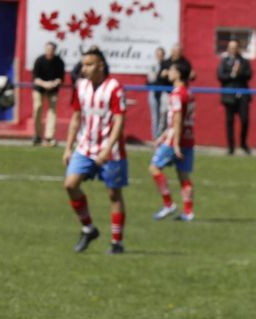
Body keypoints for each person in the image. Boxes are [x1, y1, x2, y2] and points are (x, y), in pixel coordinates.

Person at [62, 48, 129, 254]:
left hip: (111, 150)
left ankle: (116, 242)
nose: (84, 69)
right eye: (83, 64)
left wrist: (107, 149)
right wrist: (68, 147)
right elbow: (76, 118)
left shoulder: (115, 88)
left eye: (89, 64)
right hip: (85, 147)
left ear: (100, 66)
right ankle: (88, 228)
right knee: (70, 185)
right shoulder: (80, 86)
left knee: (113, 194)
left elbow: (120, 119)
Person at [149, 61, 196, 222]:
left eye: (171, 70)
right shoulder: (189, 92)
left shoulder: (177, 94)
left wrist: (174, 143)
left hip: (176, 139)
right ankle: (188, 212)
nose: (168, 72)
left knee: (154, 168)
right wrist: (162, 135)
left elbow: (177, 119)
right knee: (183, 175)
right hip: (188, 139)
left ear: (178, 73)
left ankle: (168, 204)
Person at [218, 40, 253, 155]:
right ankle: (231, 147)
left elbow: (249, 75)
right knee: (230, 121)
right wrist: (232, 75)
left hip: (242, 95)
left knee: (245, 120)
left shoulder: (244, 61)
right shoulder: (224, 61)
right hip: (229, 96)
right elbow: (220, 76)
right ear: (228, 48)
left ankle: (243, 143)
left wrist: (239, 73)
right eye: (231, 47)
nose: (233, 49)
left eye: (235, 47)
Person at [32, 42, 66, 146]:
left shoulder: (59, 62)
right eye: (48, 49)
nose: (49, 51)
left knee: (52, 111)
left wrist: (54, 83)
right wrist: (44, 84)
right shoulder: (39, 60)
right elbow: (35, 79)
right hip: (39, 88)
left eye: (51, 49)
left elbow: (61, 78)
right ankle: (37, 135)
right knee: (38, 108)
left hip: (53, 89)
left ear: (54, 50)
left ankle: (49, 136)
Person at [145, 46, 168, 140]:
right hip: (153, 91)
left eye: (161, 54)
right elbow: (150, 79)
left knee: (164, 114)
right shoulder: (153, 65)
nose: (159, 56)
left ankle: (162, 136)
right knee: (155, 116)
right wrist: (158, 77)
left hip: (163, 92)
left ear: (164, 55)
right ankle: (155, 138)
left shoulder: (166, 65)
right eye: (158, 54)